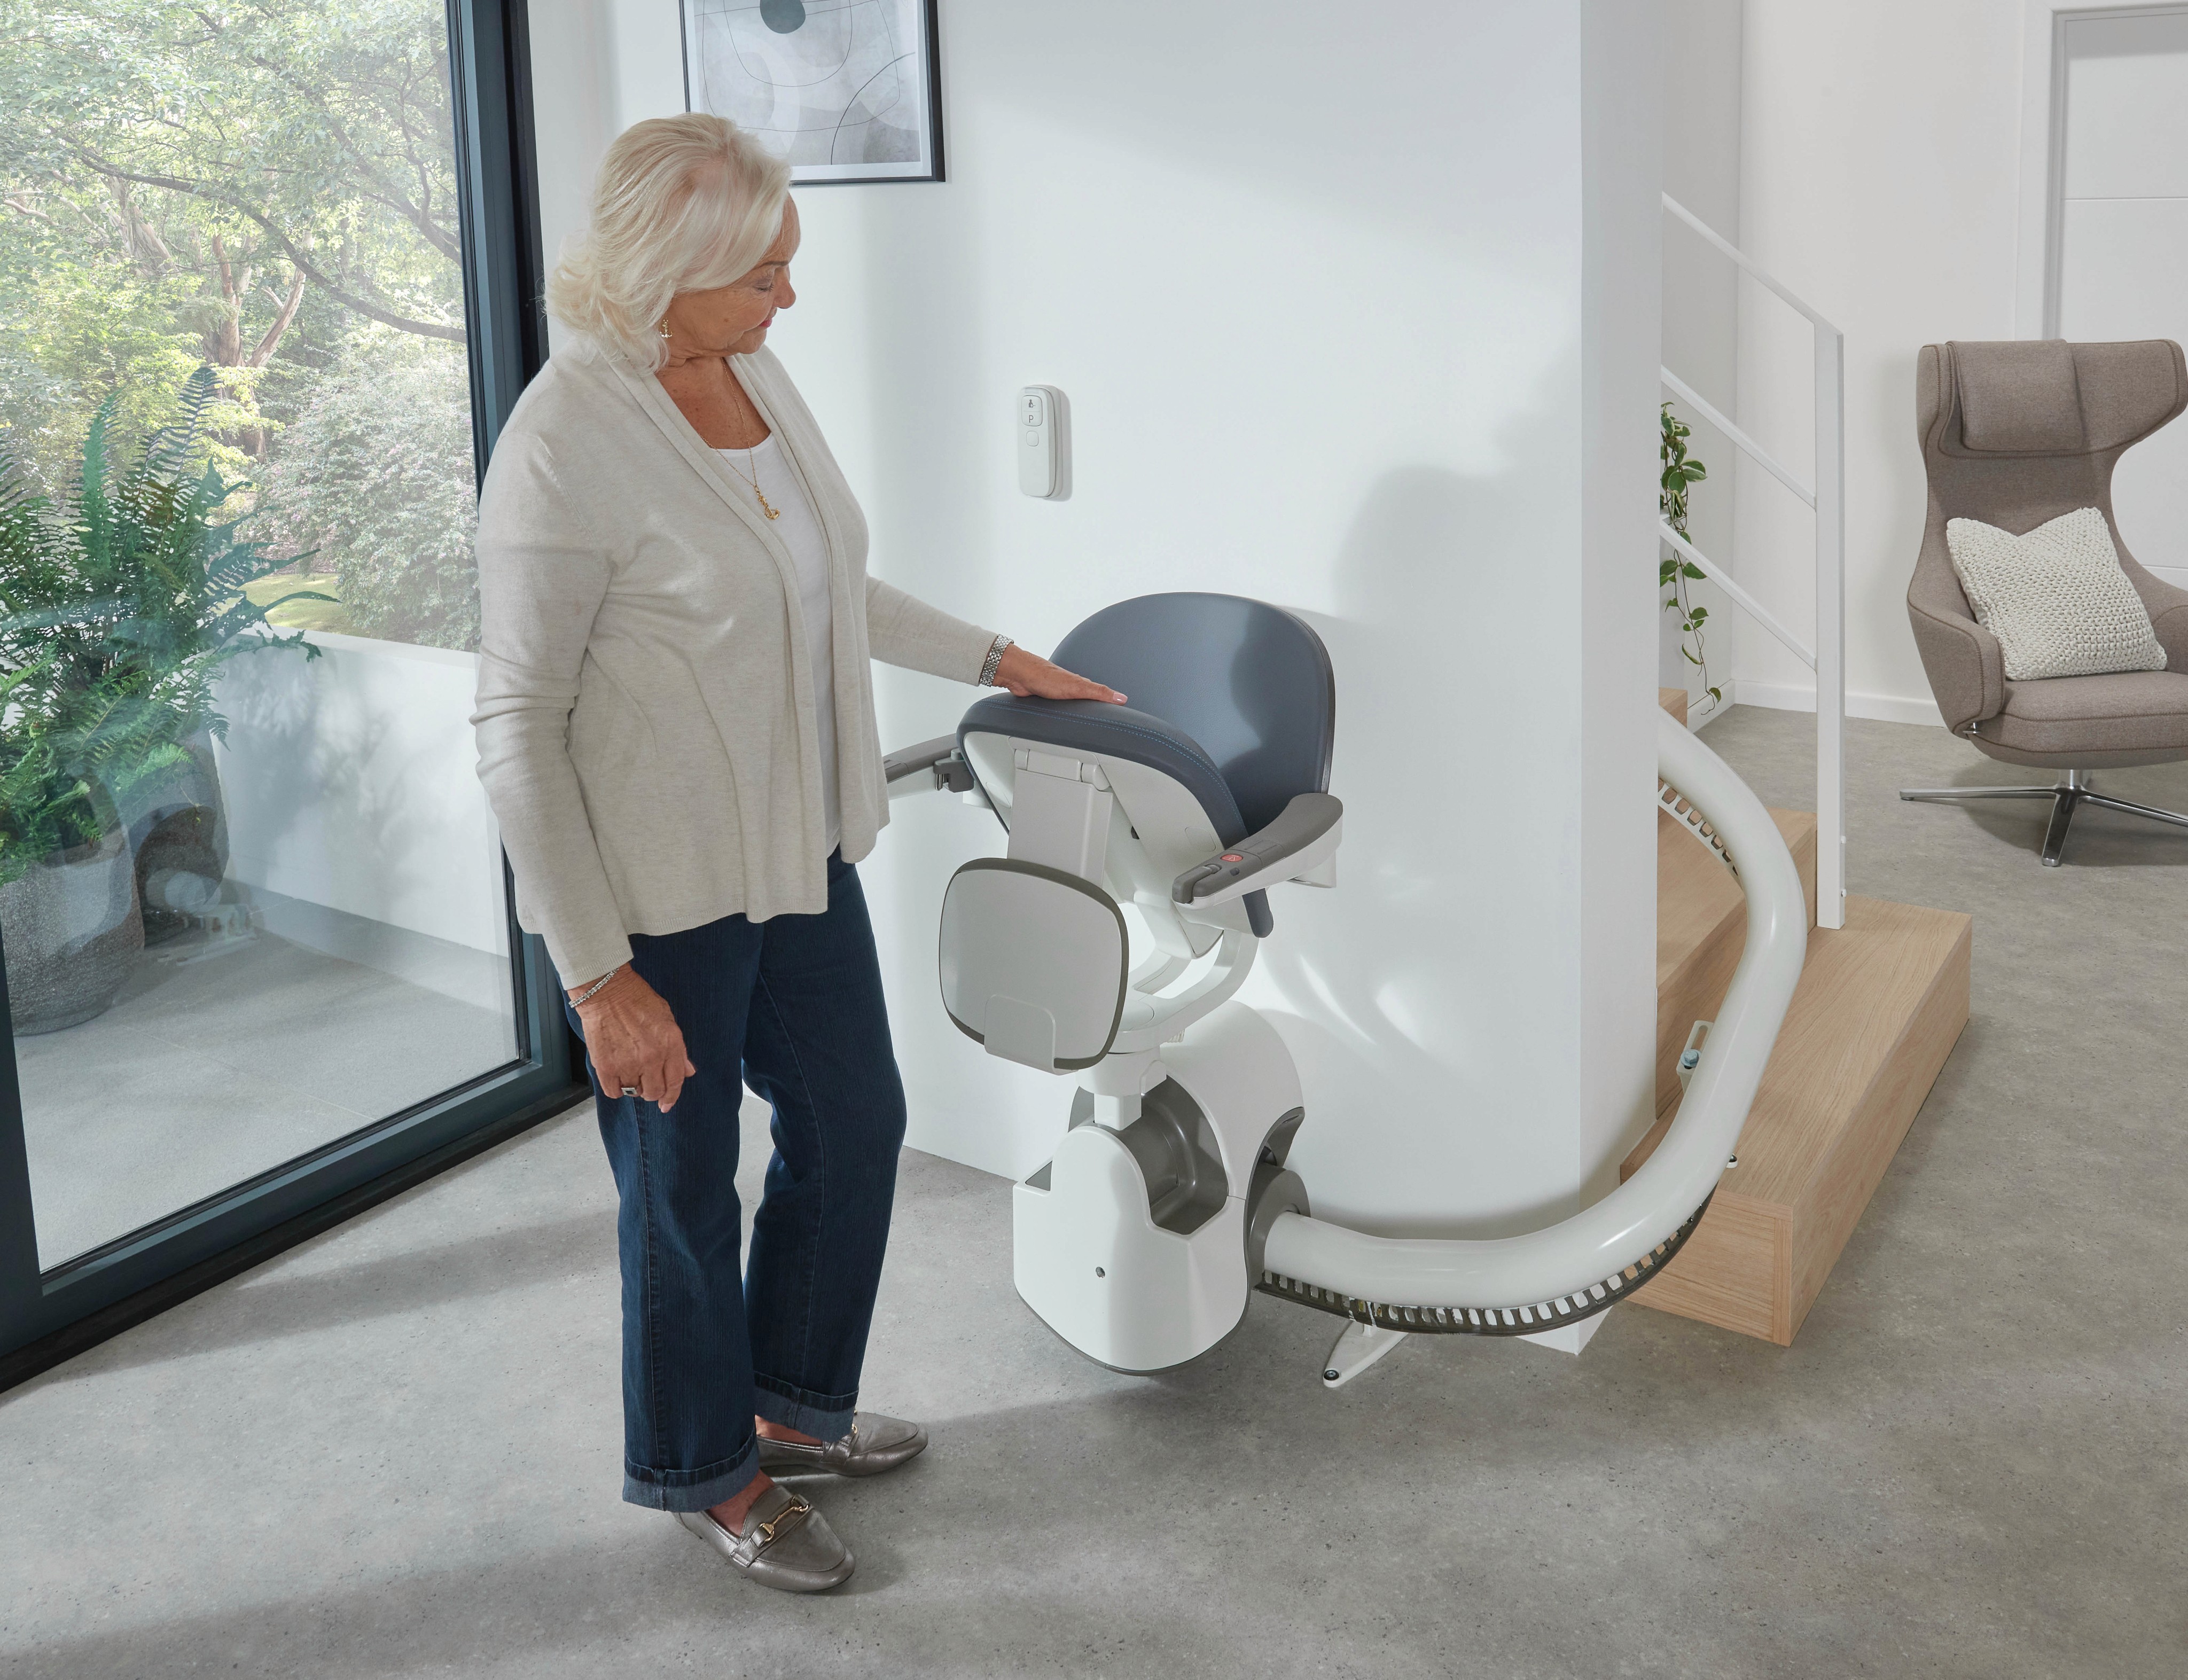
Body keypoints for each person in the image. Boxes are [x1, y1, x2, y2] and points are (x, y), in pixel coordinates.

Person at [471, 113, 1122, 1593]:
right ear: (669, 266)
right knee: (681, 1188)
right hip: (650, 898)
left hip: (799, 849)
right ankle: (708, 1467)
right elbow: (515, 724)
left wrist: (998, 655)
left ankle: (786, 1403)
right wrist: (595, 978)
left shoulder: (749, 370)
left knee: (853, 1119)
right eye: (764, 268)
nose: (789, 294)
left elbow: (826, 581)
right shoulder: (565, 446)